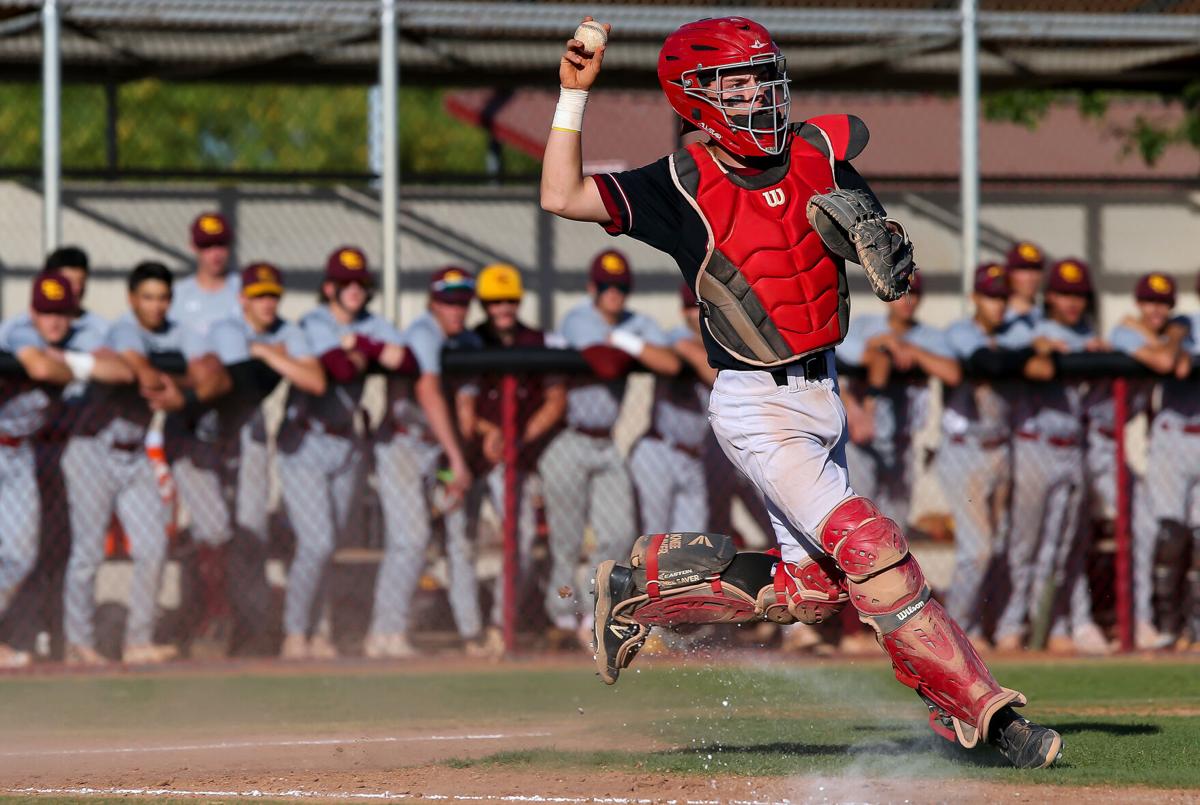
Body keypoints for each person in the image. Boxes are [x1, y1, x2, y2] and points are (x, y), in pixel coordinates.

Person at [540, 15, 1061, 768]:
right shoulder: (681, 181)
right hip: (754, 399)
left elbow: (880, 251)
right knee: (871, 545)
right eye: (735, 82)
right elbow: (560, 193)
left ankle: (638, 587)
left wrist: (888, 254)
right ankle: (983, 715)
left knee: (813, 589)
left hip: (824, 393)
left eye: (763, 77)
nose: (757, 94)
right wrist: (571, 96)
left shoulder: (821, 152)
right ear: (695, 100)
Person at [164, 262, 326, 655]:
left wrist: (268, 354)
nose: (267, 304)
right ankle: (208, 619)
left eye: (272, 295)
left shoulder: (286, 331)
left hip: (240, 431)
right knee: (215, 529)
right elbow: (240, 385)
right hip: (195, 433)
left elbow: (316, 381)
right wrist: (275, 358)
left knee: (253, 530)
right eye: (258, 296)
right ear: (242, 299)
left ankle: (251, 628)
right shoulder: (226, 327)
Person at [536, 249, 680, 649]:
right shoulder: (578, 317)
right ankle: (562, 620)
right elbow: (605, 365)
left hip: (607, 444)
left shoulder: (634, 324)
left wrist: (622, 339)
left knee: (617, 534)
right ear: (592, 289)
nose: (613, 294)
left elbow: (668, 363)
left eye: (619, 287)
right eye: (605, 287)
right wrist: (632, 346)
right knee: (565, 541)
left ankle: (589, 615)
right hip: (570, 439)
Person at [276, 246, 410, 660]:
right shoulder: (313, 322)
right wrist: (361, 351)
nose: (354, 290)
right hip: (305, 441)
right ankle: (295, 633)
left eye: (361, 283)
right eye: (345, 283)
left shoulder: (371, 324)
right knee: (316, 544)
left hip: (346, 445)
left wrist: (361, 342)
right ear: (329, 287)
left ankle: (321, 631)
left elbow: (403, 360)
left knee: (328, 545)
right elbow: (340, 367)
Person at [63, 262, 199, 665]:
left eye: (162, 298)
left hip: (136, 451)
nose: (155, 306)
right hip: (93, 450)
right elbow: (145, 377)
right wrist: (177, 386)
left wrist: (184, 389)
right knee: (88, 552)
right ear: (132, 298)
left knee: (154, 545)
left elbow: (210, 371)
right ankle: (79, 642)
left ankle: (137, 641)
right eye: (147, 297)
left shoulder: (177, 333)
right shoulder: (122, 329)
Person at [0, 247, 111, 659]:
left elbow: (120, 371)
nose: (54, 320)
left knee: (19, 557)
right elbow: (42, 369)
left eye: (62, 311)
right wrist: (82, 366)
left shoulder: (79, 335)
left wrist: (71, 359)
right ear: (32, 311)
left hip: (19, 454)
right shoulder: (17, 331)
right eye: (46, 311)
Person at [994, 259, 1109, 656]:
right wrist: (1040, 349)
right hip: (1033, 444)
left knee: (1063, 547)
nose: (1072, 302)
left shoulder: (1091, 337)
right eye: (1063, 293)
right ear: (1050, 296)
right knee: (1025, 545)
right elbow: (1002, 352)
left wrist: (1093, 356)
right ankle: (1013, 624)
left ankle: (1055, 622)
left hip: (1073, 448)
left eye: (1078, 295)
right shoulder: (1031, 329)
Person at [365, 267, 479, 660]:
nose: (456, 309)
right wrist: (458, 461)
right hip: (402, 444)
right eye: (449, 301)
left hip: (436, 452)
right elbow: (428, 391)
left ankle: (463, 632)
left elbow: (464, 406)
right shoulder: (422, 331)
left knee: (441, 542)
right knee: (410, 541)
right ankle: (385, 632)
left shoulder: (466, 341)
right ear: (433, 302)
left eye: (463, 301)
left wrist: (452, 465)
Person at [459, 263, 566, 656]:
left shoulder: (535, 340)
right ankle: (467, 630)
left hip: (515, 460)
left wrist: (518, 438)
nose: (502, 307)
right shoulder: (470, 342)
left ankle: (498, 626)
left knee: (520, 540)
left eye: (509, 300)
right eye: (494, 301)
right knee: (461, 544)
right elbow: (463, 406)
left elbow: (556, 400)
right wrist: (492, 432)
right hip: (470, 460)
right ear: (484, 305)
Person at [935, 265, 1026, 649]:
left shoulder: (1017, 331)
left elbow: (1039, 353)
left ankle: (977, 626)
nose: (998, 305)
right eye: (991, 296)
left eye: (1003, 297)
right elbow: (982, 361)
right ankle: (952, 633)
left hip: (1001, 449)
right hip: (964, 449)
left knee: (1001, 546)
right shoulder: (959, 331)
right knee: (978, 549)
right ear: (975, 298)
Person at [836, 272, 960, 529]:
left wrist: (911, 350)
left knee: (895, 528)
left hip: (901, 443)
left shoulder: (928, 336)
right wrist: (883, 343)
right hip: (861, 441)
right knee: (858, 525)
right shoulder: (865, 325)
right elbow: (841, 362)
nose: (907, 300)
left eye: (913, 293)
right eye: (901, 292)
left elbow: (952, 373)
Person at [1107, 273, 1190, 650]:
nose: (1156, 310)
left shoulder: (1176, 329)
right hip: (1099, 441)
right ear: (1139, 303)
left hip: (1129, 443)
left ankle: (1166, 624)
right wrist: (1175, 338)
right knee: (1160, 532)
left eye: (1163, 303)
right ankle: (1152, 620)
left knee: (1161, 533)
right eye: (1149, 302)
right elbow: (1163, 362)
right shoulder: (1126, 333)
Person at [1136, 271, 1200, 650]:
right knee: (1171, 531)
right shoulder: (1184, 322)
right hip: (1173, 435)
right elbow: (1173, 365)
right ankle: (1166, 624)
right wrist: (1176, 335)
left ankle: (1194, 626)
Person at [628, 283, 713, 535]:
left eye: (699, 306)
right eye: (688, 307)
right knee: (653, 541)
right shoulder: (675, 336)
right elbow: (711, 373)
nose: (693, 313)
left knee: (691, 546)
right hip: (659, 450)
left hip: (694, 457)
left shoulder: (720, 342)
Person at [170, 212, 241, 339]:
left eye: (220, 244)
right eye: (207, 245)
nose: (215, 254)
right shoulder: (177, 295)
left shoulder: (246, 289)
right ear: (193, 247)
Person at [1004, 241, 1046, 330]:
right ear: (1009, 273)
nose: (1031, 277)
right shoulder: (997, 318)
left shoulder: (1046, 318)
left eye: (1036, 269)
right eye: (1023, 269)